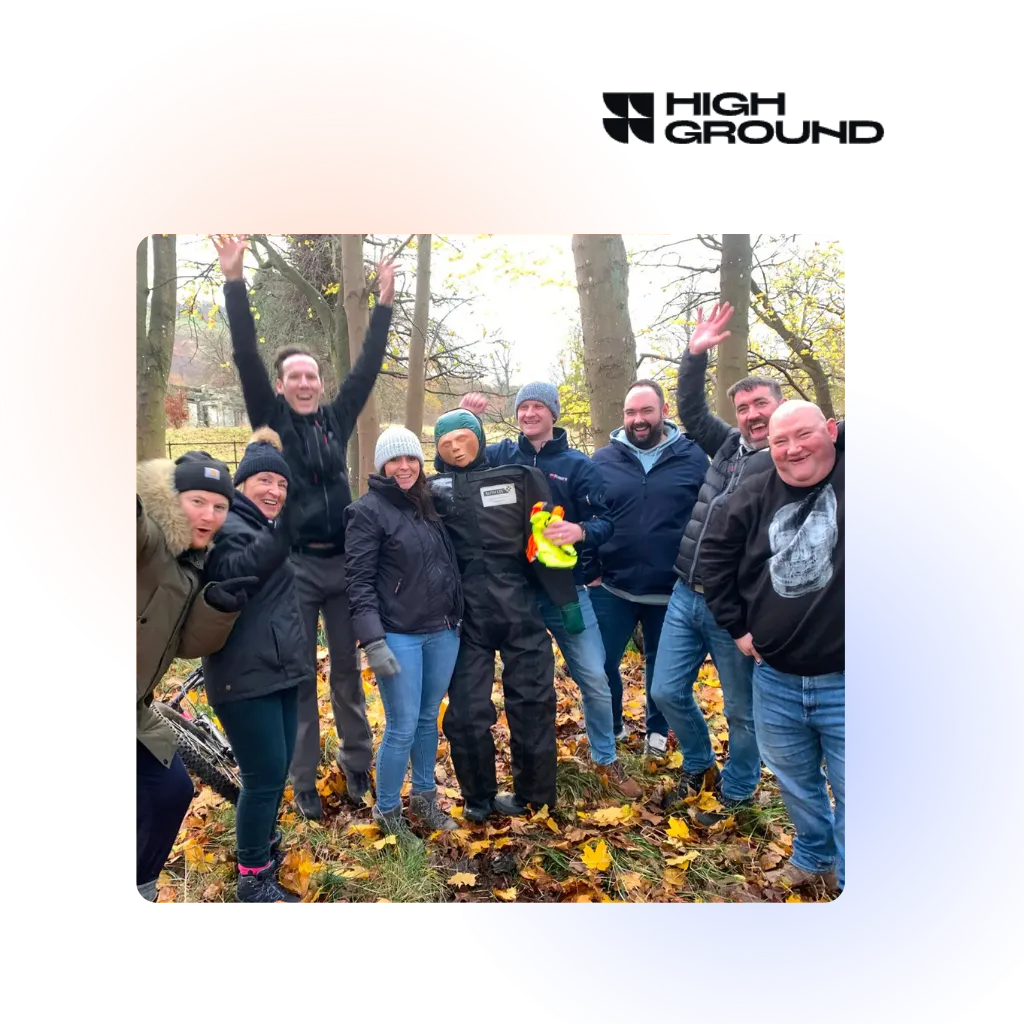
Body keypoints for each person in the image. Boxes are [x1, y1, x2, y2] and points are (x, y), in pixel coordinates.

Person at [215, 234, 396, 820]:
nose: (305, 383)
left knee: (347, 672)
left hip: (342, 565)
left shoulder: (335, 419)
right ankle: (303, 783)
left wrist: (385, 304)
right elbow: (245, 357)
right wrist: (235, 280)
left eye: (311, 375)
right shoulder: (271, 419)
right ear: (282, 384)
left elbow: (366, 369)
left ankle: (357, 768)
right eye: (294, 375)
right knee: (296, 678)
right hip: (291, 568)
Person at [459, 384, 639, 799]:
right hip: (511, 594)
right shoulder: (504, 455)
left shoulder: (579, 466)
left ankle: (605, 757)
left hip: (564, 592)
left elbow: (605, 521)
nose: (529, 414)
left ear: (553, 413)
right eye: (523, 407)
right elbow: (463, 459)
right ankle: (526, 771)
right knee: (526, 687)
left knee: (593, 675)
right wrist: (470, 418)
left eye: (538, 406)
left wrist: (579, 531)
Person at [700, 401, 845, 892]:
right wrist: (738, 629)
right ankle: (813, 860)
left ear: (831, 430)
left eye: (804, 435)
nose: (792, 448)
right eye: (781, 441)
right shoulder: (756, 486)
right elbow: (714, 553)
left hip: (848, 679)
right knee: (796, 781)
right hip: (776, 676)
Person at [651, 302, 783, 822]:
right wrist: (694, 355)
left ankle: (738, 789)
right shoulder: (727, 444)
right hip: (687, 592)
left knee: (741, 711)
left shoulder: (791, 464)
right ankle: (700, 763)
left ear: (779, 405)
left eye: (760, 404)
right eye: (745, 406)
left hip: (739, 611)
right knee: (664, 689)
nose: (752, 414)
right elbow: (690, 410)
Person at [426, 409, 585, 822]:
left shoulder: (518, 478)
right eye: (446, 443)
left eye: (464, 437)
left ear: (480, 437)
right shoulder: (431, 491)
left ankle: (535, 795)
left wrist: (565, 602)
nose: (456, 448)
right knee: (463, 712)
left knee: (533, 703)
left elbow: (546, 541)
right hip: (465, 619)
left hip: (519, 609)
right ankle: (477, 797)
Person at [136, 450, 256, 904]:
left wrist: (219, 605)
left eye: (219, 506)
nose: (209, 515)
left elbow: (183, 644)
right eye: (197, 501)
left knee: (170, 791)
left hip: (140, 706)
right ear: (171, 499)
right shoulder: (149, 537)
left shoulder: (192, 560)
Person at [200, 429, 310, 904]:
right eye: (265, 481)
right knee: (263, 778)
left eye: (282, 484)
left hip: (280, 668)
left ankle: (265, 850)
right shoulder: (229, 527)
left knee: (276, 770)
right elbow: (229, 573)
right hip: (243, 675)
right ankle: (252, 878)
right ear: (243, 484)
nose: (275, 491)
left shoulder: (263, 526)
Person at [343, 426, 464, 835]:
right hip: (398, 636)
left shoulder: (428, 505)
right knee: (402, 723)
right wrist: (373, 640)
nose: (404, 466)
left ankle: (425, 797)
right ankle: (388, 812)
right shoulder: (367, 511)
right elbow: (358, 583)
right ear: (382, 465)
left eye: (411, 458)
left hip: (442, 631)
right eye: (395, 460)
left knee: (429, 717)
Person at [583, 380, 710, 764]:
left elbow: (708, 518)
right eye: (631, 412)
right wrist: (591, 569)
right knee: (600, 664)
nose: (638, 420)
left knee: (662, 669)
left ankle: (657, 731)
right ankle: (614, 723)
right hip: (612, 586)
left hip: (671, 589)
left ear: (664, 411)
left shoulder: (693, 457)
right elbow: (587, 515)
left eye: (646, 411)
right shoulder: (602, 459)